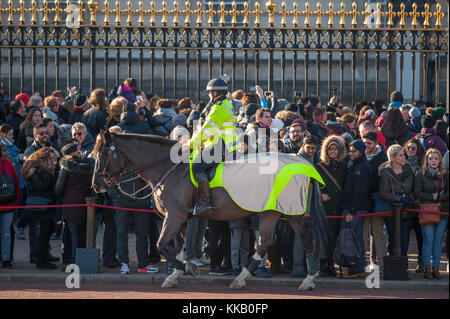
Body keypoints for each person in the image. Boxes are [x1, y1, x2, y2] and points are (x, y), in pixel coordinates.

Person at [186, 78, 241, 218]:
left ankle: (205, 202)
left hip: (221, 146)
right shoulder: (226, 104)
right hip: (226, 144)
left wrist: (189, 146)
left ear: (216, 93)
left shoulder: (219, 108)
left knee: (197, 166)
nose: (209, 95)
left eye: (210, 93)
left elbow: (206, 131)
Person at [55, 142, 95, 265]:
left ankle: (73, 260)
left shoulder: (66, 168)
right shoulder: (88, 167)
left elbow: (58, 188)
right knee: (84, 233)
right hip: (85, 202)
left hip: (70, 202)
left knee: (72, 233)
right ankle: (83, 260)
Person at [22, 147, 60, 269]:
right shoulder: (36, 169)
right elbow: (41, 186)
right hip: (41, 204)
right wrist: (56, 177)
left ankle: (43, 256)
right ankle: (41, 260)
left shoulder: (38, 168)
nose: (54, 160)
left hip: (45, 203)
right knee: (43, 233)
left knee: (46, 231)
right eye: (53, 158)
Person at [315, 135, 347, 277]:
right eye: (330, 149)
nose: (333, 151)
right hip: (324, 207)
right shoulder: (320, 166)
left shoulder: (344, 166)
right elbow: (314, 185)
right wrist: (320, 195)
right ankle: (323, 265)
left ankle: (332, 265)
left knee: (335, 238)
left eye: (335, 149)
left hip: (338, 206)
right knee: (323, 238)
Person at [414, 148, 448, 279]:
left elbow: (448, 194)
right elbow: (417, 193)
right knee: (428, 240)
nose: (433, 161)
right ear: (426, 160)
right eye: (430, 158)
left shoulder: (446, 175)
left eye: (436, 158)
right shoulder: (421, 174)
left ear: (440, 160)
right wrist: (431, 196)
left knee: (438, 241)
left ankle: (436, 268)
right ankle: (427, 268)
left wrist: (439, 196)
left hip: (442, 210)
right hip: (427, 210)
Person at [341, 139, 371, 278]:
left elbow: (361, 191)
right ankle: (358, 267)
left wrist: (352, 211)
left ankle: (357, 268)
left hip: (356, 209)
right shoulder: (354, 164)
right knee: (356, 238)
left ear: (360, 152)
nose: (351, 153)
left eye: (354, 151)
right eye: (350, 150)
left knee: (354, 238)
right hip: (354, 207)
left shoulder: (363, 167)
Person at [379, 144, 415, 257]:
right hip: (391, 211)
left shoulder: (408, 170)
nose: (404, 157)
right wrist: (399, 198)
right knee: (393, 239)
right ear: (393, 158)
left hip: (406, 211)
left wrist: (409, 198)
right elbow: (384, 193)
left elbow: (415, 189)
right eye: (400, 155)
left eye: (403, 155)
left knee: (404, 240)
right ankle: (393, 265)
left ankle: (402, 265)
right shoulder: (386, 172)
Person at [362, 131, 388, 272]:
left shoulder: (383, 157)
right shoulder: (359, 155)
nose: (366, 146)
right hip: (362, 200)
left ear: (376, 143)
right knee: (363, 233)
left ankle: (381, 262)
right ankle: (362, 262)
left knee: (377, 233)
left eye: (369, 143)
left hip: (377, 199)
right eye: (364, 143)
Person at [0, 146, 21, 268]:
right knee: (6, 232)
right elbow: (16, 179)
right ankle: (6, 259)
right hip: (8, 202)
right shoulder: (6, 162)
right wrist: (17, 197)